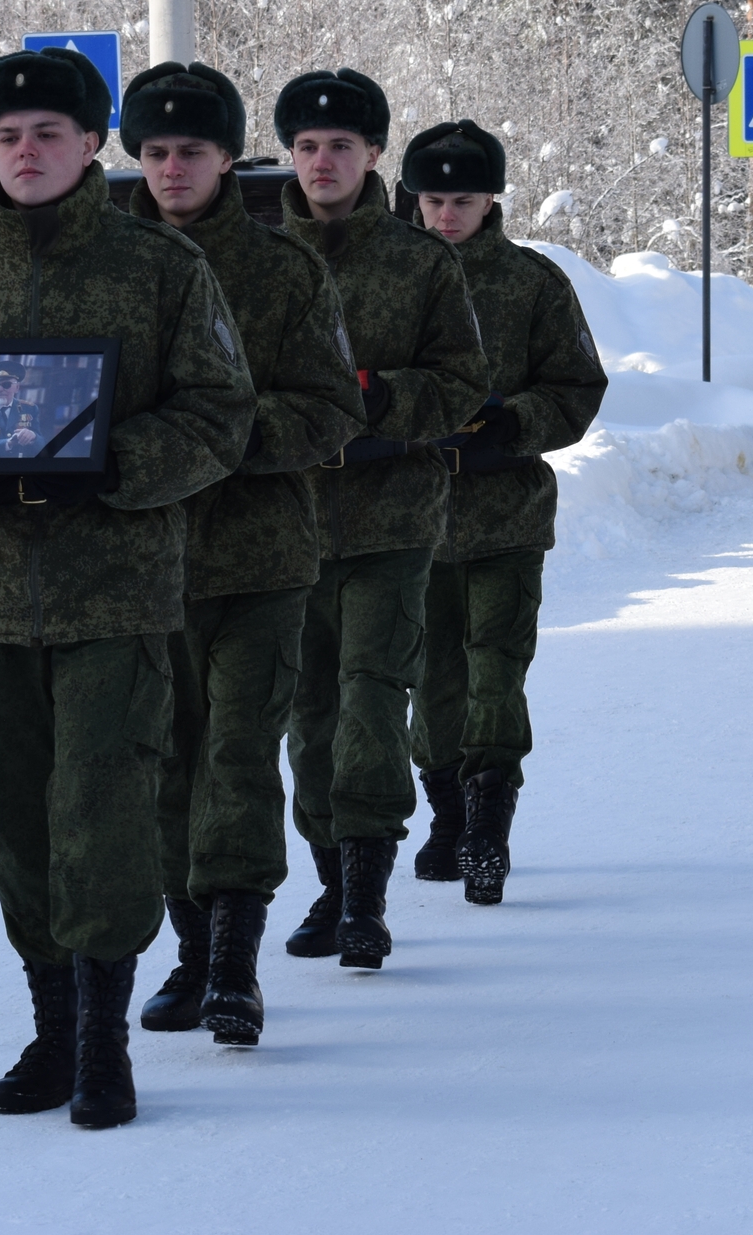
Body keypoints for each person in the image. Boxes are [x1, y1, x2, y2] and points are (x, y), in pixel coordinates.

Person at [0, 46, 256, 1130]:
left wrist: (115, 462)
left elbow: (221, 414)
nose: (25, 152)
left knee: (104, 813)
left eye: (48, 133)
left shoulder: (161, 271)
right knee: (21, 822)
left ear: (87, 145)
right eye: (7, 136)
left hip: (115, 589)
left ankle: (105, 1039)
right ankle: (50, 1023)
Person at [120, 62, 364, 1047]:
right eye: (154, 151)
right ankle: (187, 949)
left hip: (258, 558)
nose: (172, 168)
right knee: (165, 769)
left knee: (235, 759)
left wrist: (210, 436)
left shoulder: (281, 271)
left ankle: (231, 964)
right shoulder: (110, 264)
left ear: (228, 158)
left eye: (192, 151)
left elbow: (329, 413)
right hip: (139, 564)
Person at [275, 70, 490, 970]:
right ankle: (330, 877)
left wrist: (374, 398)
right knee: (306, 716)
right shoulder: (257, 262)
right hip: (284, 521)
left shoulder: (419, 263)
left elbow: (462, 384)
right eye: (308, 147)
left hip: (391, 514)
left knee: (369, 702)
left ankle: (366, 894)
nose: (323, 163)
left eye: (341, 147)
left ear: (373, 157)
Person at [398, 120, 607, 905]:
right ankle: (446, 811)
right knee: (430, 677)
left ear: (492, 200)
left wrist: (511, 421)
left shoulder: (532, 283)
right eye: (433, 199)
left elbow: (576, 388)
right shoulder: (393, 278)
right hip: (410, 512)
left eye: (463, 199)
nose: (446, 214)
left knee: (496, 667)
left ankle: (488, 821)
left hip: (505, 512)